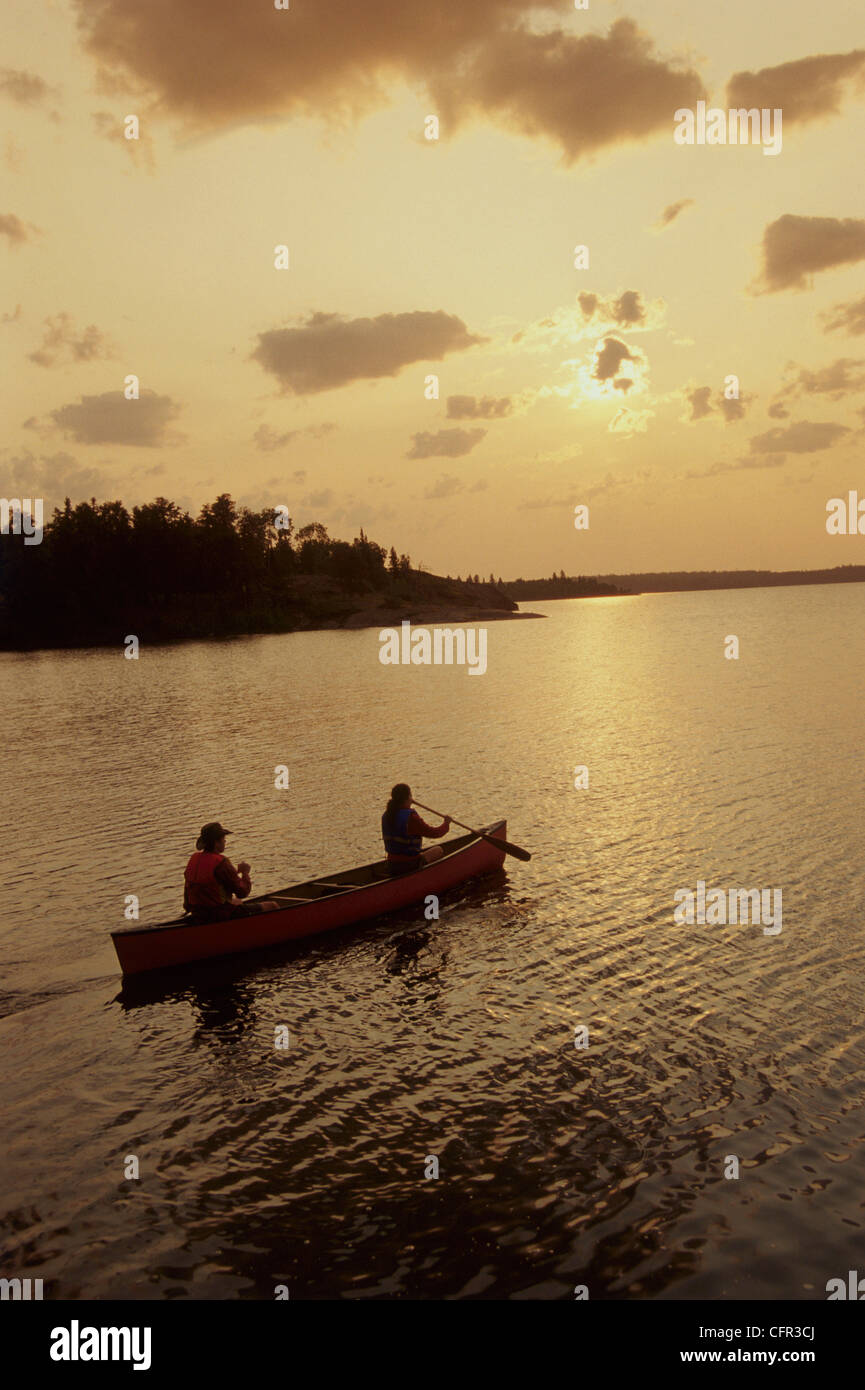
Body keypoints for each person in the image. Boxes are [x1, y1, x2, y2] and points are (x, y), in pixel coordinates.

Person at [183, 821, 283, 921]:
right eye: (223, 839)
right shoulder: (221, 863)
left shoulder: (194, 859)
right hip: (219, 915)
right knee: (272, 906)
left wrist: (234, 876)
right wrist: (245, 873)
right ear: (216, 842)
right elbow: (243, 892)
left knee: (237, 901)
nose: (225, 842)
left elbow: (187, 904)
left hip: (198, 915)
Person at [381, 784, 450, 871]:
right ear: (407, 797)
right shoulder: (411, 818)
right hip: (409, 864)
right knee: (438, 850)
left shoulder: (386, 815)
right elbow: (434, 833)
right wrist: (446, 824)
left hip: (391, 864)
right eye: (410, 795)